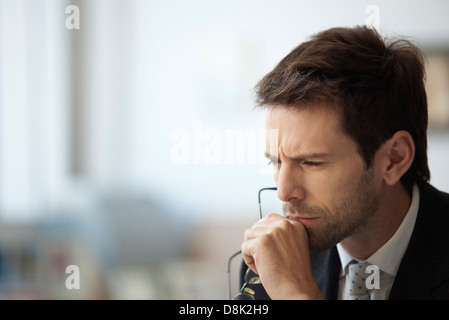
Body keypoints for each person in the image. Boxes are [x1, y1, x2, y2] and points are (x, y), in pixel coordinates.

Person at [240, 25, 449, 300]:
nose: (284, 191)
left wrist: (298, 295)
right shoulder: (270, 259)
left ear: (394, 159)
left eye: (312, 163)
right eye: (276, 161)